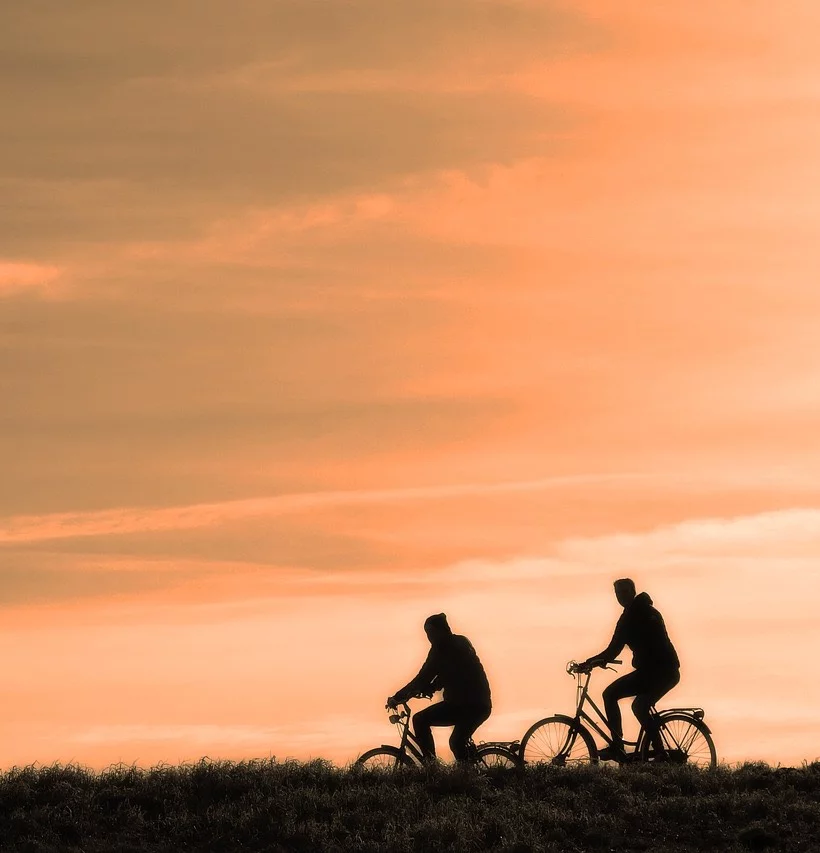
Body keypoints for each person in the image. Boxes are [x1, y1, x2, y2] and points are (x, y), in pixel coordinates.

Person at [580, 578, 680, 762]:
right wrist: (596, 660)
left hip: (660, 672)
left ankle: (654, 752)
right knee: (628, 701)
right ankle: (637, 749)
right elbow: (614, 649)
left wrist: (591, 662)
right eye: (618, 593)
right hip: (658, 671)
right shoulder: (644, 612)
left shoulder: (634, 616)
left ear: (633, 592)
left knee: (622, 699)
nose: (621, 596)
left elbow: (613, 650)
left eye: (624, 592)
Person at [387, 613, 492, 763]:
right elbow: (452, 673)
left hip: (465, 705)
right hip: (479, 703)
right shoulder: (461, 642)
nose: (429, 637)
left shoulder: (442, 649)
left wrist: (398, 697)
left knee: (421, 721)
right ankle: (466, 772)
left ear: (440, 631)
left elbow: (424, 676)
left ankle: (432, 768)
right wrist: (430, 688)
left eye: (430, 632)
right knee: (458, 742)